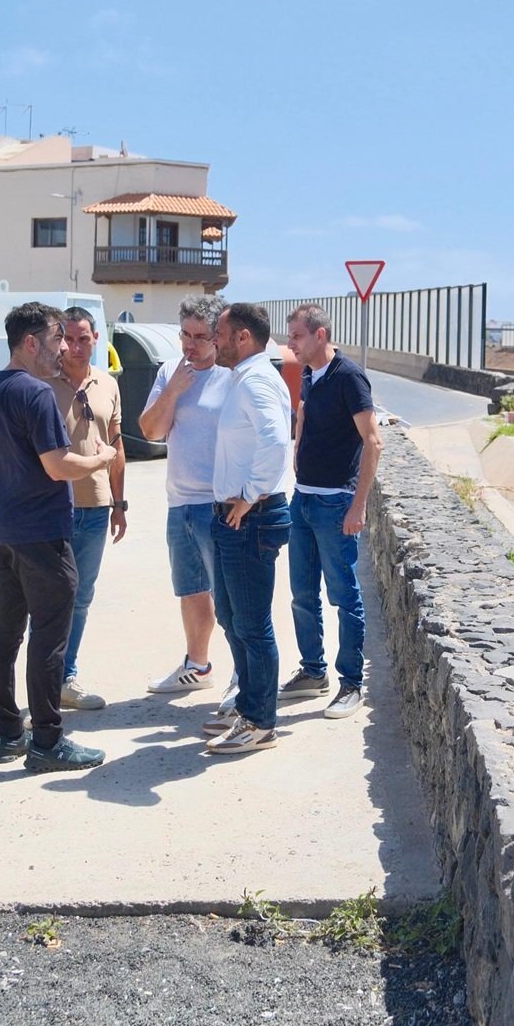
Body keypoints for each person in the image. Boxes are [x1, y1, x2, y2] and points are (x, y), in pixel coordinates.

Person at [0, 302, 117, 772]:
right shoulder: (35, 394)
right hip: (41, 533)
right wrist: (102, 459)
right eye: (56, 340)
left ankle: (9, 734)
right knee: (50, 637)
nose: (63, 349)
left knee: (4, 631)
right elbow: (59, 466)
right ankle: (48, 741)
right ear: (30, 342)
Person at [201, 301, 294, 755]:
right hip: (236, 518)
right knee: (232, 617)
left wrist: (250, 492)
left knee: (253, 624)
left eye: (218, 333)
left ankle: (260, 722)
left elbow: (278, 440)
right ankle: (249, 705)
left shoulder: (255, 379)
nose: (213, 341)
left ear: (242, 337)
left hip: (250, 518)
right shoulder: (245, 378)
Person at [283, 304, 382, 719]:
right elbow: (303, 410)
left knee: (343, 596)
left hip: (335, 503)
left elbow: (373, 443)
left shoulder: (349, 377)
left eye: (297, 337)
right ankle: (312, 672)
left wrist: (357, 505)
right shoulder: (308, 372)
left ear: (320, 335)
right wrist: (298, 447)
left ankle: (351, 683)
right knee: (302, 594)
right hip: (303, 500)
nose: (291, 345)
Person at [139, 294, 235, 694]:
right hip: (180, 502)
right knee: (191, 589)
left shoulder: (235, 376)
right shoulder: (169, 372)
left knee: (230, 598)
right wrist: (174, 390)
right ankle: (198, 666)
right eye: (185, 334)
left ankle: (242, 677)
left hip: (221, 504)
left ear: (219, 338)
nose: (190, 344)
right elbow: (150, 431)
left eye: (200, 336)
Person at [47, 308, 126, 712]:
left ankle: (65, 677)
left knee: (81, 595)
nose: (76, 348)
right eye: (69, 340)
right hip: (51, 506)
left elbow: (116, 445)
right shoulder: (41, 382)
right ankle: (42, 681)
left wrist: (119, 503)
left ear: (97, 338)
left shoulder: (107, 385)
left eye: (84, 339)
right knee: (48, 598)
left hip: (95, 507)